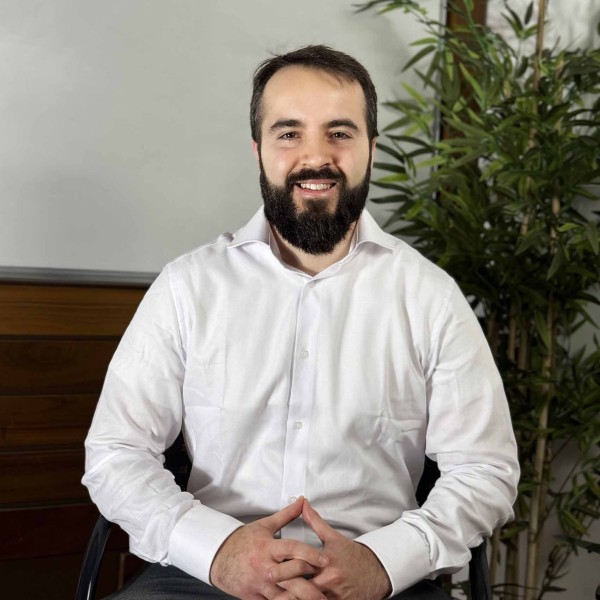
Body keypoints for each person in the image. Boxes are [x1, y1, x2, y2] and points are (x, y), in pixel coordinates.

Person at [83, 45, 519, 600]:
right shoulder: (187, 287)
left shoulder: (431, 297)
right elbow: (117, 454)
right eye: (289, 133)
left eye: (340, 132)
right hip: (206, 574)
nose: (316, 156)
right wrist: (219, 552)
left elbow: (484, 470)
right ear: (259, 150)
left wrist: (383, 563)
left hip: (379, 579)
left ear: (371, 149)